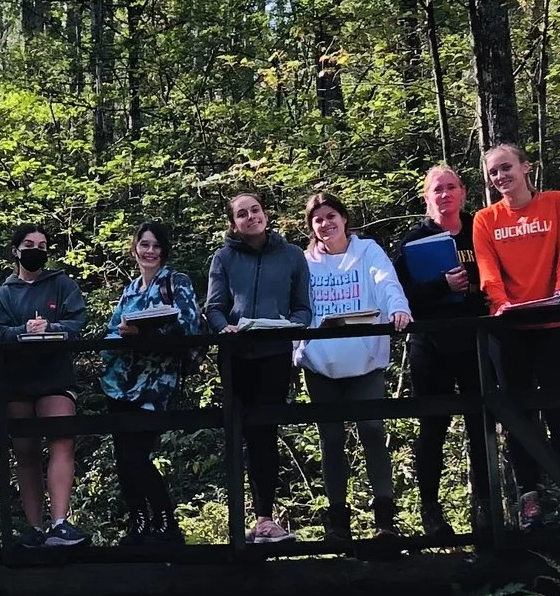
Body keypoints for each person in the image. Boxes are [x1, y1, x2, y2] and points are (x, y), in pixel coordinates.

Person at [474, 143, 560, 529]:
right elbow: (487, 269)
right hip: (509, 329)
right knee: (518, 414)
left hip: (552, 323)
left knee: (559, 409)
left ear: (525, 168)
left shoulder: (554, 203)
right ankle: (529, 496)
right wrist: (500, 302)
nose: (500, 177)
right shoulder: (486, 219)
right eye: (493, 173)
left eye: (506, 168)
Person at [297, 193, 412, 544]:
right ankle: (337, 525)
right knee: (330, 439)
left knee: (372, 431)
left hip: (365, 363)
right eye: (318, 219)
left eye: (331, 216)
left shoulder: (368, 252)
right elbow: (295, 307)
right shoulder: (304, 263)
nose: (326, 224)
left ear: (344, 218)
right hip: (320, 364)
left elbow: (386, 282)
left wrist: (398, 309)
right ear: (311, 227)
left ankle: (385, 521)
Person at [205, 189, 313, 542]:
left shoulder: (292, 255)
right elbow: (214, 307)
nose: (251, 216)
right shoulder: (223, 258)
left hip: (274, 356)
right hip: (236, 355)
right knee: (237, 433)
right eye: (242, 213)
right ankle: (237, 525)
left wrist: (291, 324)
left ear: (265, 214)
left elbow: (303, 307)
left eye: (256, 210)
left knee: (265, 434)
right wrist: (225, 328)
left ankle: (265, 519)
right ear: (233, 224)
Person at [391, 166, 486, 541]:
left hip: (478, 339)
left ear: (463, 192)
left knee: (482, 424)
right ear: (426, 198)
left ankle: (486, 505)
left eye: (451, 188)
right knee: (433, 427)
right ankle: (430, 509)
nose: (444, 195)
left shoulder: (482, 228)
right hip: (430, 344)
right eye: (437, 190)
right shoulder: (414, 240)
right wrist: (440, 284)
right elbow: (399, 294)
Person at [0, 224, 89, 547]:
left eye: (43, 245)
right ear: (16, 250)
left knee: (62, 440)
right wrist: (22, 330)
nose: (36, 249)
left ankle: (60, 523)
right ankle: (35, 528)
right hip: (16, 378)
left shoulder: (62, 284)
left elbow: (77, 322)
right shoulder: (3, 293)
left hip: (54, 374)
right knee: (25, 451)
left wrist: (51, 327)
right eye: (29, 244)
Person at [100, 221, 202, 548]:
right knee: (123, 459)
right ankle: (139, 527)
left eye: (156, 245)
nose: (150, 251)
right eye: (144, 244)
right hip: (120, 384)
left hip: (156, 381)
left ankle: (166, 525)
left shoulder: (176, 282)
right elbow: (113, 331)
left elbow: (187, 325)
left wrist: (143, 333)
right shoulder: (130, 290)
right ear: (135, 248)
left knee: (137, 456)